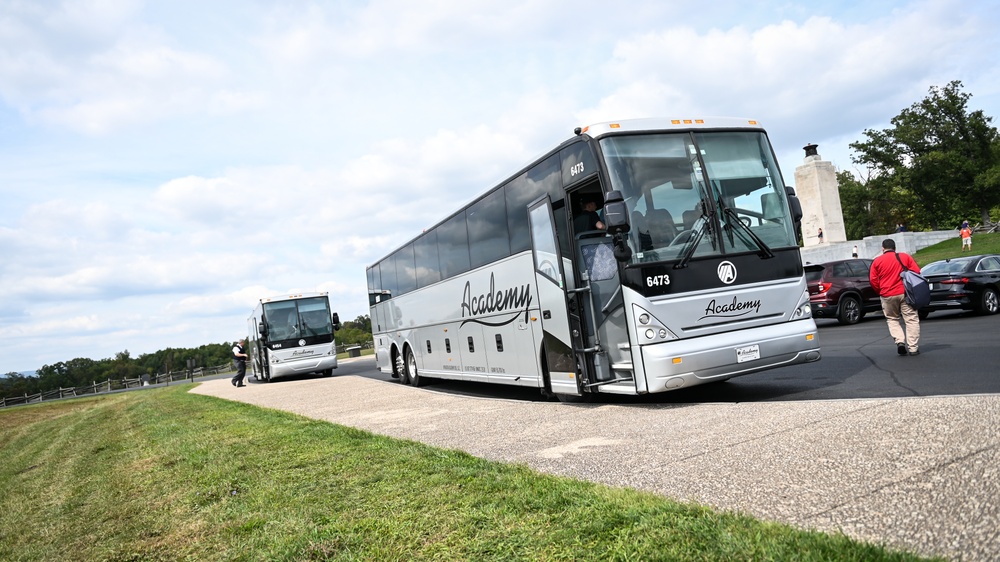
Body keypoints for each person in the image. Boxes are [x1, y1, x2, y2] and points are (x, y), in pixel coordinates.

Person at [869, 238, 921, 356]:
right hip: (905, 293)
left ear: (883, 249)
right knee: (911, 319)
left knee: (892, 319)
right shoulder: (904, 257)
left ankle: (900, 341)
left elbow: (873, 280)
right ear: (895, 247)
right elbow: (916, 272)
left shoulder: (877, 261)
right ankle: (913, 348)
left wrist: (880, 291)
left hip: (887, 294)